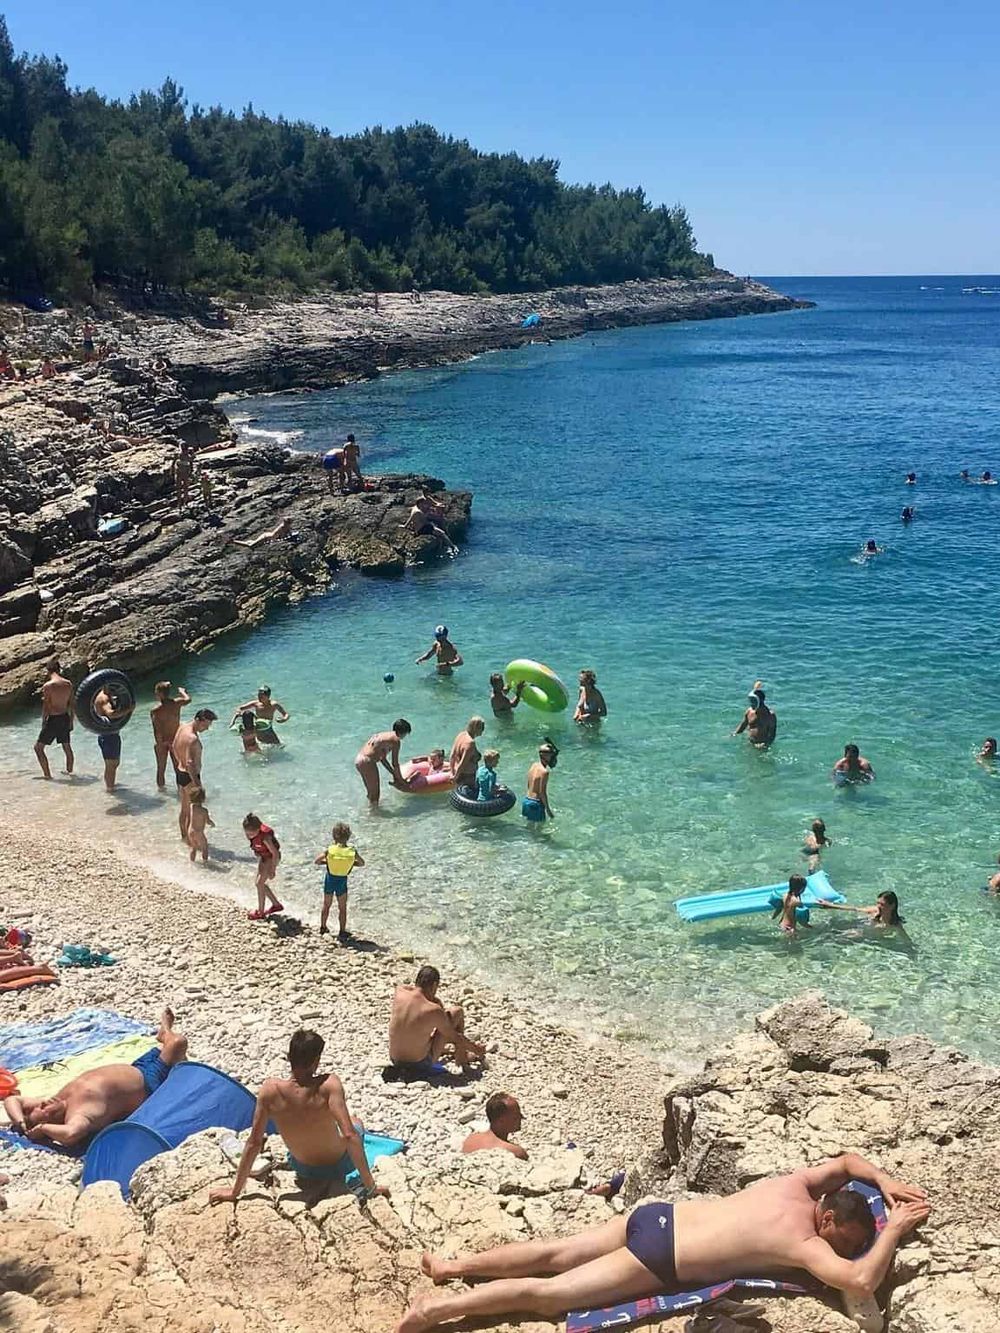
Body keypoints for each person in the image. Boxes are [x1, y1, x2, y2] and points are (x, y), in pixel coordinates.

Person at [399, 1155, 929, 1333]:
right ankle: (436, 1309)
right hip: (659, 1257)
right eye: (847, 1240)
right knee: (551, 1293)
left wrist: (883, 1182)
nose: (843, 1251)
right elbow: (861, 1281)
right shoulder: (803, 1241)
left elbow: (847, 1161)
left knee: (553, 1251)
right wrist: (896, 1230)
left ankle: (451, 1265)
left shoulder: (794, 1184)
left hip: (655, 1216)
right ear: (829, 1216)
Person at [209, 1029, 388, 1207]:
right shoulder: (328, 1085)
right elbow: (350, 1135)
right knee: (355, 1123)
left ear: (289, 1057)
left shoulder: (270, 1090)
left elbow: (254, 1142)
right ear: (316, 1061)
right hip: (340, 1165)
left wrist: (235, 1191)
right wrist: (371, 1187)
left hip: (303, 1169)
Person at [3, 1009, 187, 1148]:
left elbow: (12, 1099)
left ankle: (171, 1052)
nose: (43, 1103)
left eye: (39, 1106)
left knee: (174, 1056)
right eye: (44, 1110)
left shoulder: (57, 1101)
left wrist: (20, 1123)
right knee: (178, 1042)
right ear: (52, 1120)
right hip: (149, 1081)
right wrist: (42, 1130)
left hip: (135, 1066)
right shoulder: (79, 1114)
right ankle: (166, 1031)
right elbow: (71, 1134)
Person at [388, 966, 486, 1075]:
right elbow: (454, 1036)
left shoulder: (400, 992)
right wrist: (477, 1049)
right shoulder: (433, 1009)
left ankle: (455, 1053)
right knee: (456, 1012)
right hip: (418, 1065)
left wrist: (435, 1000)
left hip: (395, 1059)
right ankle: (461, 1057)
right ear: (434, 985)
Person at [171, 709, 218, 840]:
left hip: (180, 773)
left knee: (184, 809)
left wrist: (180, 762)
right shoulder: (193, 739)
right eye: (205, 725)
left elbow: (174, 746)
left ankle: (184, 837)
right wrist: (198, 785)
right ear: (198, 719)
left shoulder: (182, 727)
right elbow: (190, 763)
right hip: (191, 777)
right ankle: (195, 842)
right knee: (196, 812)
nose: (207, 728)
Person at [315, 821, 364, 938]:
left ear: (333, 836)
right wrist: (351, 863)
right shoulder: (352, 851)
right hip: (342, 881)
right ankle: (342, 931)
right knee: (342, 908)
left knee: (326, 905)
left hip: (330, 879)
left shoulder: (330, 850)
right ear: (348, 837)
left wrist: (327, 861)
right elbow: (362, 863)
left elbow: (316, 861)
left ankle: (323, 927)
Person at [33, 658, 75, 780]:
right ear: (59, 669)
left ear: (48, 671)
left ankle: (47, 775)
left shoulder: (48, 686)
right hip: (65, 717)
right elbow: (72, 704)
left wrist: (43, 722)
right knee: (67, 746)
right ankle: (70, 773)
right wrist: (71, 721)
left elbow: (46, 706)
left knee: (38, 748)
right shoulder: (68, 684)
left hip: (53, 719)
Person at [355, 719, 413, 804]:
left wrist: (394, 774)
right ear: (402, 732)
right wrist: (402, 781)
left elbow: (382, 759)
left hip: (359, 760)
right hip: (368, 762)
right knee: (375, 794)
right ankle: (374, 815)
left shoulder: (384, 735)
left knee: (371, 792)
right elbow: (395, 764)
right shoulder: (396, 740)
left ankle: (370, 811)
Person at [93, 681, 135, 794]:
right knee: (111, 764)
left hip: (110, 734)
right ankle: (110, 790)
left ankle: (110, 785)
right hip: (108, 735)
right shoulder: (104, 698)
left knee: (113, 763)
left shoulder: (107, 696)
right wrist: (128, 710)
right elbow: (111, 713)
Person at [150, 680, 191, 789]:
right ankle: (180, 793)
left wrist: (159, 744)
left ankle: (161, 792)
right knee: (178, 768)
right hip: (175, 740)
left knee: (161, 768)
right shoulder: (176, 703)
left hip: (162, 742)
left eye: (156, 692)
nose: (155, 694)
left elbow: (157, 729)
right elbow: (188, 699)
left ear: (160, 693)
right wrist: (182, 692)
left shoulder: (156, 710)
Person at [462, 1093, 527, 1161]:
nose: (521, 1117)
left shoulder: (470, 1139)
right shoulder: (515, 1152)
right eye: (516, 1116)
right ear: (501, 1121)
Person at [243, 813, 283, 919]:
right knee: (258, 884)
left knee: (259, 883)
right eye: (247, 833)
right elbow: (256, 845)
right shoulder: (251, 833)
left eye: (251, 834)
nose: (249, 836)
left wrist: (272, 869)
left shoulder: (265, 837)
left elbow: (275, 853)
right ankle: (276, 905)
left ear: (258, 829)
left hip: (271, 858)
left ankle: (260, 912)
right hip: (264, 857)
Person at [818, 891, 906, 927]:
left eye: (882, 904)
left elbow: (905, 939)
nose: (878, 906)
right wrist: (830, 905)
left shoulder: (895, 923)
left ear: (892, 906)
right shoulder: (875, 911)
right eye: (877, 903)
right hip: (858, 926)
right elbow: (854, 909)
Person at [523, 739, 557, 822]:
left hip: (526, 801)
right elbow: (542, 792)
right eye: (551, 756)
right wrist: (548, 810)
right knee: (538, 832)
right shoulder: (544, 772)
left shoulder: (534, 765)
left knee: (529, 829)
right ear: (546, 756)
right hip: (536, 804)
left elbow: (529, 784)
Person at [733, 682, 776, 747]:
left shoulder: (770, 715)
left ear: (760, 701)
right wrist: (734, 734)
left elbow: (772, 735)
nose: (751, 703)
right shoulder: (749, 711)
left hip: (763, 746)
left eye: (753, 701)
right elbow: (743, 725)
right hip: (750, 743)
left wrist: (765, 744)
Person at [450, 717, 486, 792]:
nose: (483, 731)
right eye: (482, 728)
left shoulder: (461, 735)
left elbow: (452, 755)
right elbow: (463, 763)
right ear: (476, 728)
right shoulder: (470, 743)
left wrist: (452, 772)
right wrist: (455, 777)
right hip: (467, 776)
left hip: (458, 773)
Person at [187, 786, 214, 863]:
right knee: (205, 848)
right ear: (203, 799)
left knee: (193, 848)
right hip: (199, 832)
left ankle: (192, 862)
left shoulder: (192, 806)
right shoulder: (204, 811)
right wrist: (212, 823)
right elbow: (207, 821)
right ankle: (205, 863)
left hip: (190, 831)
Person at [229, 516, 294, 548]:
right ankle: (233, 541)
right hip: (266, 537)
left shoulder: (288, 527)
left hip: (269, 538)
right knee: (251, 545)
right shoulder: (282, 527)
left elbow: (287, 534)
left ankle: (234, 541)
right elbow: (281, 536)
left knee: (253, 543)